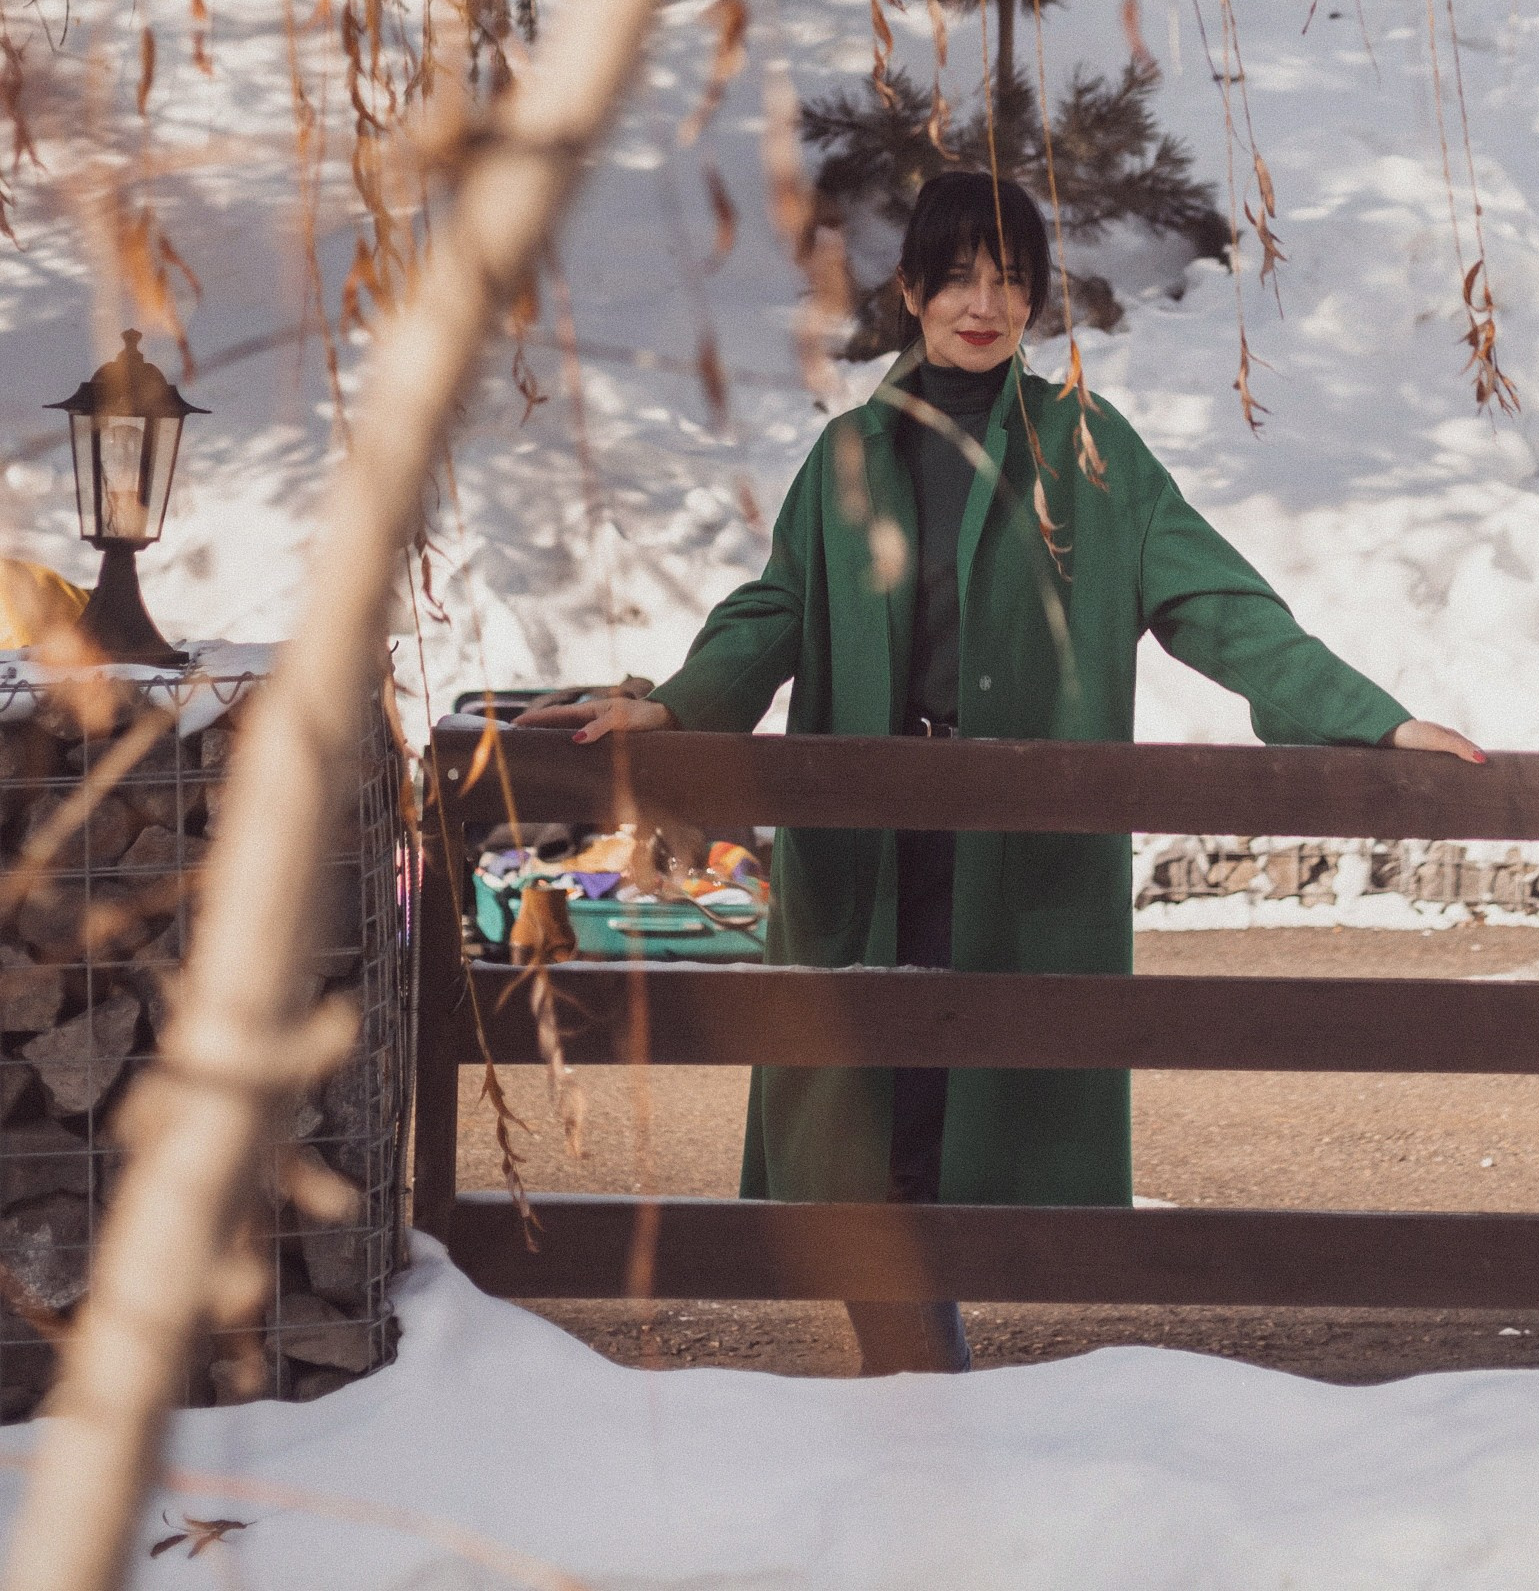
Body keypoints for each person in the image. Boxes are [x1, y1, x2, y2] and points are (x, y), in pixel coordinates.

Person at [520, 167, 1483, 1374]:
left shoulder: (1085, 446)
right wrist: (673, 702)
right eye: (959, 277)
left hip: (1013, 856)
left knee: (961, 1126)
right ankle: (923, 1384)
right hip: (870, 851)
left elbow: (1214, 603)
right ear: (910, 289)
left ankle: (926, 1395)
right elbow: (776, 612)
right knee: (870, 1133)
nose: (984, 304)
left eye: (1012, 280)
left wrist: (1368, 721)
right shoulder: (848, 454)